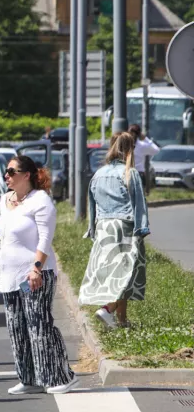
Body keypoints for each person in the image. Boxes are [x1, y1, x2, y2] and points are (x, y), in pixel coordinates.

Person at [0, 155, 78, 395]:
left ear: (26, 175)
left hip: (34, 274)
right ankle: (28, 378)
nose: (6, 176)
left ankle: (63, 376)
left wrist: (36, 268)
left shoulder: (40, 201)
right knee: (17, 329)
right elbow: (3, 230)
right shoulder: (5, 199)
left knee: (39, 326)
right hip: (9, 276)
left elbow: (45, 238)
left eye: (11, 171)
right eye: (6, 172)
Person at [79, 132, 150, 329]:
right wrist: (142, 228)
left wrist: (92, 229)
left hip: (103, 228)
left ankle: (122, 321)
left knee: (116, 273)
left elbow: (91, 205)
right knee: (127, 272)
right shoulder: (130, 173)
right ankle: (107, 309)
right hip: (124, 227)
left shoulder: (98, 174)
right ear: (129, 149)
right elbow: (139, 204)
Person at [129, 123, 160, 191]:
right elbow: (156, 150)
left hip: (127, 173)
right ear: (139, 134)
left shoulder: (126, 144)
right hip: (138, 173)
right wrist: (145, 138)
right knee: (139, 198)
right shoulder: (142, 145)